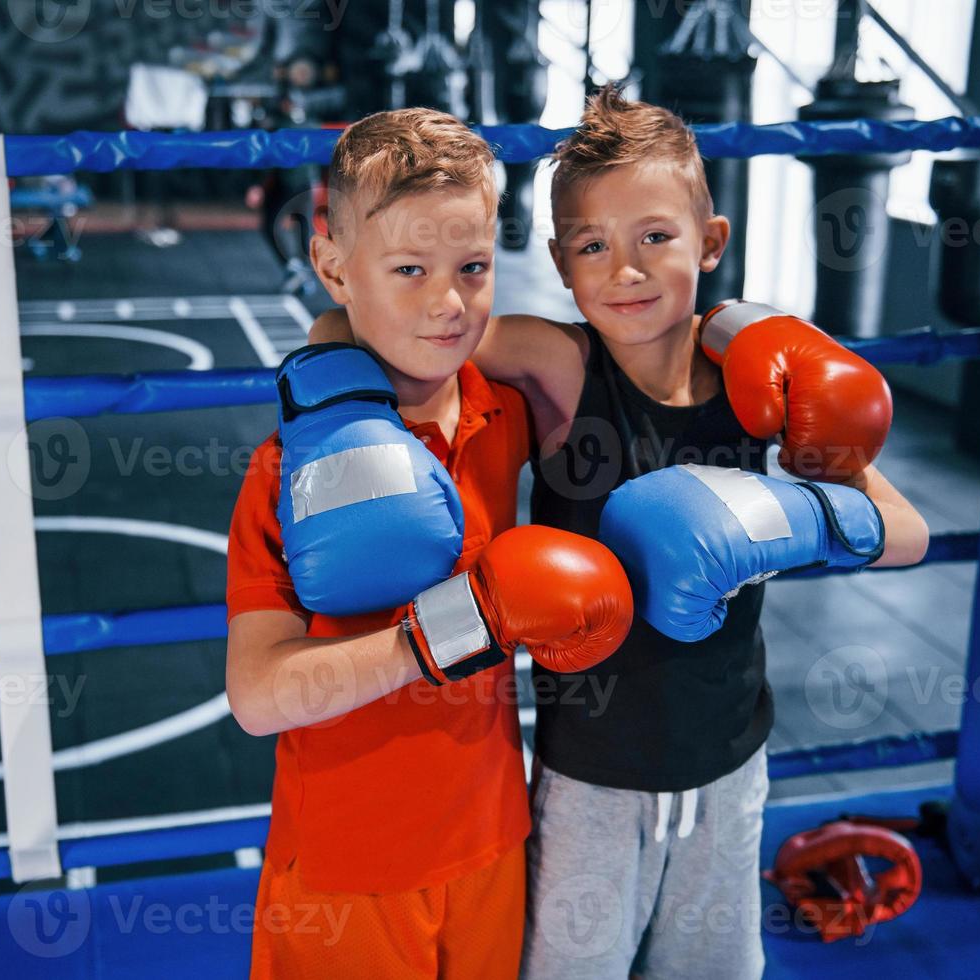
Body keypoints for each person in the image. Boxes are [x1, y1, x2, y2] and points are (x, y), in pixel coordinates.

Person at [309, 89, 930, 978]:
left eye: (656, 239)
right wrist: (332, 360)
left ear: (710, 242)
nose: (626, 272)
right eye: (594, 247)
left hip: (728, 769)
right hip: (590, 777)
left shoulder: (762, 381)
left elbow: (904, 531)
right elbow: (358, 328)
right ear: (561, 263)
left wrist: (795, 519)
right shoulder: (556, 363)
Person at [225, 107, 634, 979]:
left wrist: (739, 331)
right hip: (348, 870)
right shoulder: (283, 476)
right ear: (334, 266)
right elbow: (257, 696)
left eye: (473, 267)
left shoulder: (505, 411)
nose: (448, 303)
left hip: (490, 840)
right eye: (409, 268)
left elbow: (632, 348)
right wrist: (456, 627)